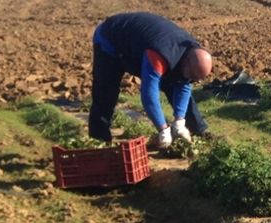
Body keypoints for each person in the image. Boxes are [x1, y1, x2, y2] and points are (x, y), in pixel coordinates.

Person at [89, 12, 213, 147]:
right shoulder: (159, 55)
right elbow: (149, 95)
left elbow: (184, 84)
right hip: (111, 40)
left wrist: (179, 121)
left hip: (142, 44)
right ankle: (99, 141)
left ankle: (198, 130)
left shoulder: (192, 52)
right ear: (185, 63)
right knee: (106, 93)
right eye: (192, 76)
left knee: (176, 80)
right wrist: (163, 130)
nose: (193, 80)